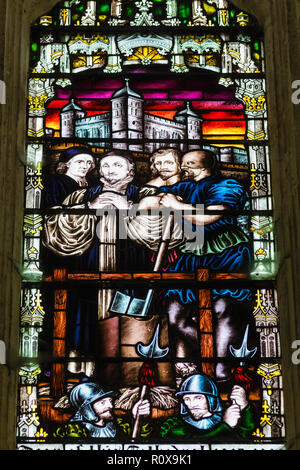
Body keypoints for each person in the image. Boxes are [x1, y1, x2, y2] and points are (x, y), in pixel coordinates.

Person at [126, 149, 256, 382]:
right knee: (176, 314)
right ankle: (212, 357)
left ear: (203, 164)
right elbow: (149, 200)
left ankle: (220, 371)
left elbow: (211, 216)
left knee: (223, 309)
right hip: (190, 254)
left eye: (187, 163)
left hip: (224, 253)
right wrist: (144, 205)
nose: (182, 167)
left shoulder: (226, 184)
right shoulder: (183, 188)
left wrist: (178, 207)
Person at [133, 373, 255, 440]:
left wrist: (244, 407)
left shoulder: (228, 417)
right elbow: (194, 444)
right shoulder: (173, 425)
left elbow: (246, 438)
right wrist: (141, 420)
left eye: (198, 398)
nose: (192, 404)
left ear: (211, 399)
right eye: (187, 399)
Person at [53, 381, 150, 439]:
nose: (110, 406)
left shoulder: (120, 426)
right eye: (102, 402)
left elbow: (143, 440)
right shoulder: (73, 430)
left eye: (110, 401)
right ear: (87, 408)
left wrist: (139, 417)